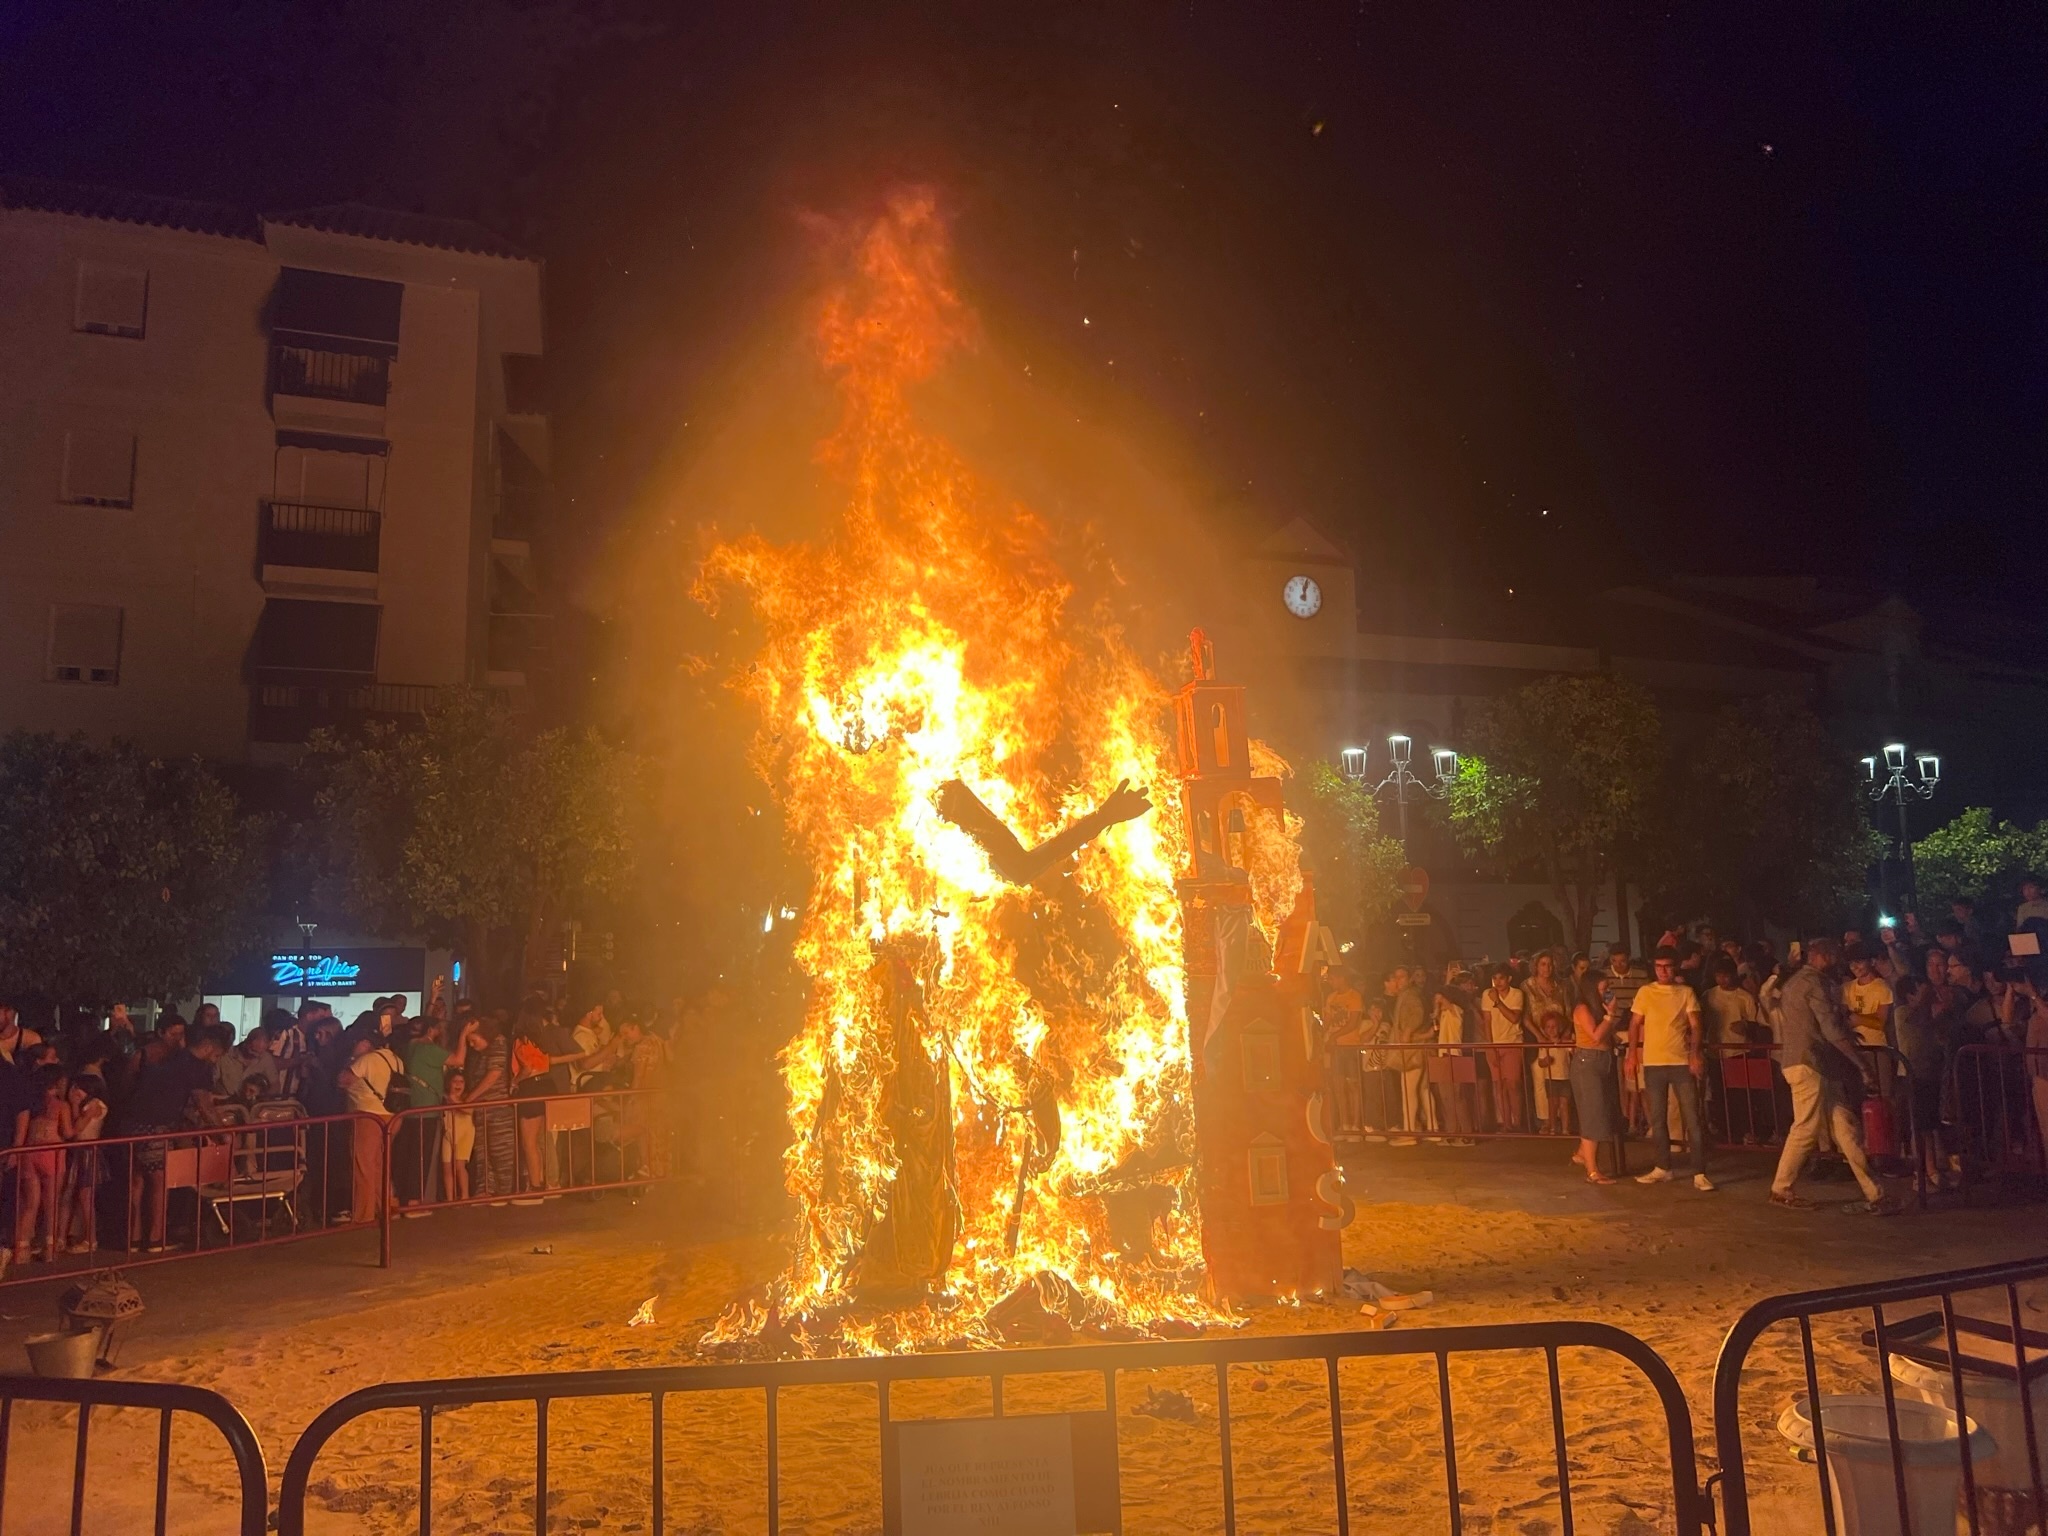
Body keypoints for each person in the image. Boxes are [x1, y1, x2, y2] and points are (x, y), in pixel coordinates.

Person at [1771, 937, 1893, 1213]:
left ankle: (1875, 1193)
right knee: (1806, 1128)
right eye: (1835, 955)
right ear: (1822, 956)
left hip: (1807, 1063)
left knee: (1844, 1127)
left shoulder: (1795, 982)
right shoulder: (1815, 983)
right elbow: (1831, 1030)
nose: (1839, 962)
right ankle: (1781, 1188)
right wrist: (1861, 1064)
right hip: (1811, 1063)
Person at [1628, 948, 1714, 1191]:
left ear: (1675, 967)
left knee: (1692, 1118)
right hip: (1653, 1062)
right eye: (1658, 966)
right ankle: (1663, 1167)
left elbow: (1696, 1025)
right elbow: (1634, 1024)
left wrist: (1695, 1054)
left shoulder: (1685, 992)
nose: (1663, 971)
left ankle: (1699, 1172)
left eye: (1667, 966)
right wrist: (1631, 1054)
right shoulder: (1645, 992)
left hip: (1680, 1062)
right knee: (1657, 1118)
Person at [338, 1024, 402, 1223]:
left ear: (365, 1043)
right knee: (380, 1165)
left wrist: (353, 1057)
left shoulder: (366, 1060)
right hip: (392, 1116)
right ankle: (386, 1207)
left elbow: (342, 1081)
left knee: (363, 1166)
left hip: (368, 1116)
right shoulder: (396, 1059)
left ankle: (363, 1215)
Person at [13, 1065, 74, 1264]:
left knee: (30, 1203)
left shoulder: (31, 1104)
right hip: (52, 1153)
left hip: (30, 1153)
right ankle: (49, 1248)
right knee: (51, 1203)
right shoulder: (60, 1105)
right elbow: (67, 1132)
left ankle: (21, 1249)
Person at [1701, 957, 1764, 1141]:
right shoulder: (1708, 996)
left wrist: (1745, 1026)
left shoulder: (1744, 997)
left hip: (1738, 1052)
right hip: (1716, 1052)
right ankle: (1725, 1132)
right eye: (1719, 975)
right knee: (1719, 1094)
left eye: (1726, 975)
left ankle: (1743, 1130)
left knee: (1740, 1095)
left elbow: (1755, 1024)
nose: (1722, 979)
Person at [1568, 976, 1619, 1183]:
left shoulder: (1597, 1009)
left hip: (1601, 1060)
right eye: (1602, 989)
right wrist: (1610, 1015)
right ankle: (1592, 1171)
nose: (1606, 993)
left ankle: (1582, 1153)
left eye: (1607, 989)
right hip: (1587, 1062)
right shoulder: (1582, 1009)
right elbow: (1596, 1036)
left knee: (1599, 1110)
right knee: (1592, 1114)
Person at [1525, 951, 1574, 1135]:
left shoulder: (1561, 986)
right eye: (1543, 964)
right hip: (1537, 1037)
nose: (1547, 968)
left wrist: (1565, 1034)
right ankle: (1546, 1120)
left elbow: (1569, 1012)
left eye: (1550, 964)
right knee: (1540, 1080)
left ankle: (1563, 1122)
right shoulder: (1527, 986)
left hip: (1559, 1037)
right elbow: (1526, 1016)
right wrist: (1539, 1036)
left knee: (1561, 1080)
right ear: (1536, 966)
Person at [1476, 963, 1529, 1132]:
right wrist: (1490, 1047)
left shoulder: (1516, 994)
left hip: (1512, 1043)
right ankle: (1506, 1124)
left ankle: (1518, 1123)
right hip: (1495, 1044)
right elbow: (1487, 1022)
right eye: (1495, 978)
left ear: (1509, 979)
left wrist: (1497, 1002)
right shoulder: (1487, 994)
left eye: (1501, 978)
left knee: (1513, 1084)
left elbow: (1514, 1018)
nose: (1498, 982)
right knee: (1499, 1086)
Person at [62, 1072, 109, 1255]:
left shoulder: (95, 1104)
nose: (74, 1091)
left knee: (85, 1197)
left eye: (78, 1087)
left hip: (88, 1152)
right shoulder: (85, 1105)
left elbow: (77, 1128)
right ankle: (64, 1237)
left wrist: (74, 1104)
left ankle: (91, 1239)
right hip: (79, 1152)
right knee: (71, 1195)